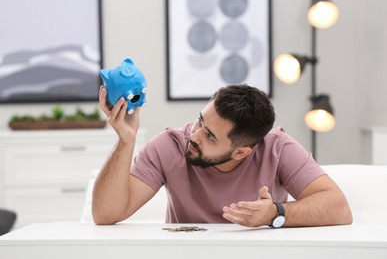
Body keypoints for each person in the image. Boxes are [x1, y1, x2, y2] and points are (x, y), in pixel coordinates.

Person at [92, 84, 352, 228]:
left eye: (211, 137)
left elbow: (339, 208)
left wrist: (275, 213)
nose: (195, 136)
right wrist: (126, 140)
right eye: (200, 121)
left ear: (241, 151)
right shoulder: (169, 146)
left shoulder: (277, 148)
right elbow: (105, 215)